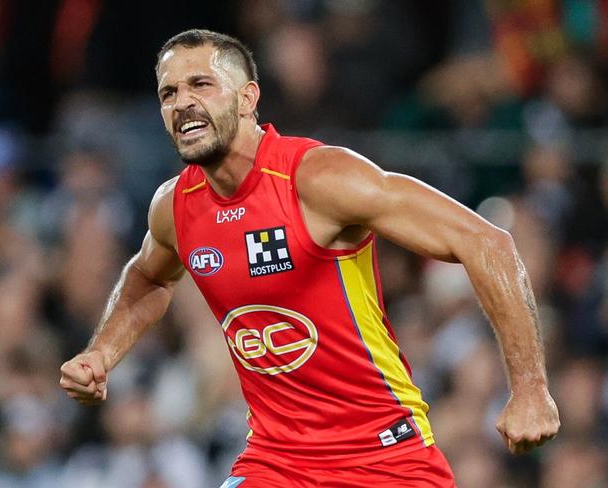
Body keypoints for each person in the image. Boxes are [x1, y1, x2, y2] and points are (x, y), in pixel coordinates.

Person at [59, 29, 560, 487]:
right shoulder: (175, 207)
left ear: (249, 97)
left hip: (383, 457)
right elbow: (149, 277)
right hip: (275, 462)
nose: (182, 103)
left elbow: (488, 242)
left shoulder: (318, 179)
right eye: (168, 93)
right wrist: (101, 353)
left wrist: (531, 389)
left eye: (201, 84)